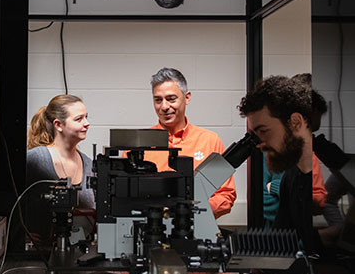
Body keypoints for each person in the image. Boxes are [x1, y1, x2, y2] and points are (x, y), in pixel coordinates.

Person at [238, 75, 338, 254]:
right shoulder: (290, 177)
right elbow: (281, 241)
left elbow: (320, 203)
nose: (260, 143)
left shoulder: (304, 169)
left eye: (264, 131)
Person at [139, 67, 236, 219]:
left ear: (187, 97)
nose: (164, 107)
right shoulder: (139, 144)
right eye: (158, 100)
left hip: (197, 230)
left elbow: (225, 194)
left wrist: (190, 212)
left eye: (171, 99)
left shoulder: (209, 141)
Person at [26, 94, 95, 244]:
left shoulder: (90, 165)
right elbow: (5, 204)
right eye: (79, 119)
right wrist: (18, 235)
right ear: (58, 125)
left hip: (80, 258)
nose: (87, 123)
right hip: (37, 258)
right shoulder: (34, 160)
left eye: (86, 117)